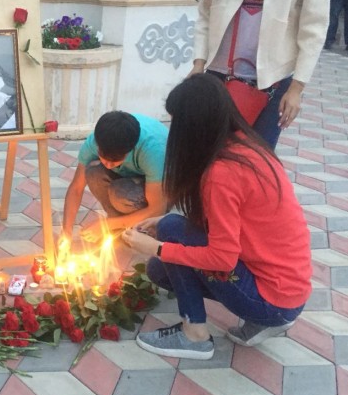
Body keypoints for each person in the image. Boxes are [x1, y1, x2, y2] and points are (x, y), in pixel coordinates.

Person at [122, 74, 311, 360]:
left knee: (172, 231)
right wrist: (161, 230)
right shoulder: (246, 144)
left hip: (273, 298)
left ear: (194, 127)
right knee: (159, 270)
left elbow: (223, 258)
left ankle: (195, 335)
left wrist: (157, 247)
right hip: (290, 289)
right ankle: (267, 319)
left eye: (178, 123)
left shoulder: (221, 173)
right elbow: (229, 222)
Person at [189, 0, 332, 149]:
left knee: (257, 158)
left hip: (271, 83)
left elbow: (314, 27)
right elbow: (206, 11)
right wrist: (198, 64)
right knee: (208, 153)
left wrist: (296, 88)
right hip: (217, 76)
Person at [59, 111, 168, 250]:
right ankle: (120, 227)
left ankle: (141, 228)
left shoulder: (152, 150)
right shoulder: (95, 141)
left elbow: (157, 209)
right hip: (134, 174)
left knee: (121, 194)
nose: (108, 165)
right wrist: (66, 233)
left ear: (130, 150)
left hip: (165, 185)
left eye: (116, 160)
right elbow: (76, 188)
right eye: (103, 157)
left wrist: (107, 224)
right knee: (93, 171)